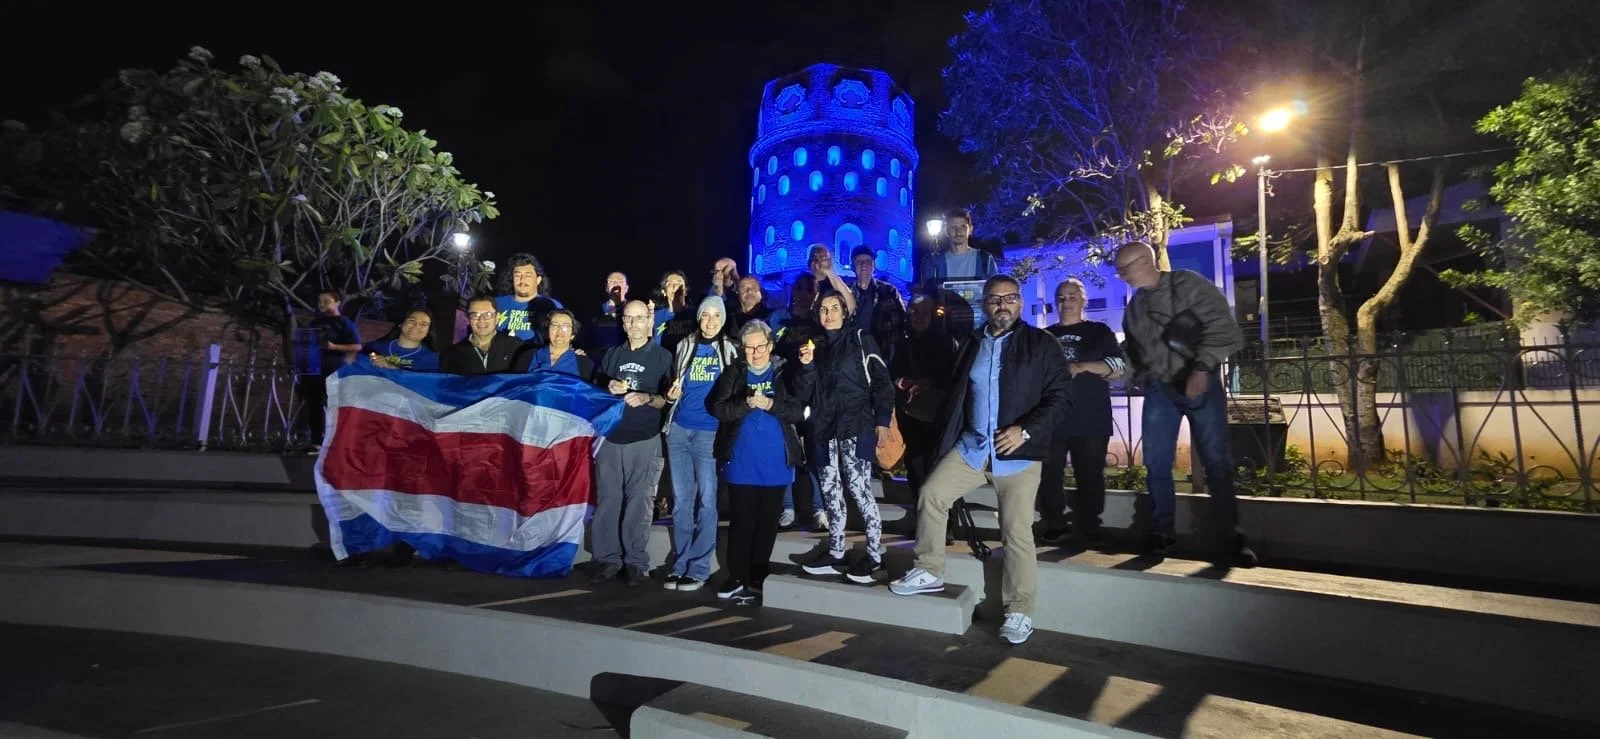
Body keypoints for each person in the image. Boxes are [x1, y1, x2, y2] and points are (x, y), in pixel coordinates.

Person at [889, 275, 1070, 646]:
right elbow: (958, 392)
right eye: (994, 299)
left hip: (1017, 455)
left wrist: (1026, 430)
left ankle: (1019, 610)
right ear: (984, 306)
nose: (1002, 305)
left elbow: (1061, 396)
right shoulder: (971, 344)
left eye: (1009, 299)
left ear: (1020, 304)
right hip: (974, 448)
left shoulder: (1041, 344)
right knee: (932, 495)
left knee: (1017, 533)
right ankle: (929, 569)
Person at [1115, 242, 1256, 566]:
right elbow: (1134, 354)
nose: (1120, 274)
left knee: (1217, 463)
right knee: (1157, 464)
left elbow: (1224, 328)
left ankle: (1231, 536)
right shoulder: (1133, 308)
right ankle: (1163, 532)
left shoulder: (1188, 284)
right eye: (1119, 268)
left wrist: (1202, 367)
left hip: (1200, 384)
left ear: (1144, 261)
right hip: (1161, 389)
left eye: (1125, 267)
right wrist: (1120, 372)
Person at [710, 320, 816, 602]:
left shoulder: (784, 370)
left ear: (770, 345)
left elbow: (799, 411)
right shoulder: (735, 372)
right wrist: (744, 404)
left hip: (776, 461)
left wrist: (771, 405)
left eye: (760, 346)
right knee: (742, 522)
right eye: (748, 347)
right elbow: (719, 409)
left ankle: (758, 576)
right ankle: (736, 576)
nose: (755, 353)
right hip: (742, 460)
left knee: (767, 523)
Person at [797, 292, 893, 585]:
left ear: (845, 311)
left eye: (834, 308)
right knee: (829, 490)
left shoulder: (863, 340)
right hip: (824, 429)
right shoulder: (816, 346)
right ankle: (836, 549)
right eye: (823, 309)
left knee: (859, 488)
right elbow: (805, 391)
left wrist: (882, 421)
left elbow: (882, 383)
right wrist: (807, 365)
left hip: (857, 426)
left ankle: (875, 554)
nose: (828, 314)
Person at [590, 300, 675, 587]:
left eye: (639, 319)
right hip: (611, 437)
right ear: (622, 322)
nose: (633, 324)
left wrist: (646, 398)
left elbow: (669, 400)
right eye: (628, 319)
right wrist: (607, 387)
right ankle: (607, 560)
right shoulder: (611, 355)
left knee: (640, 502)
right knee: (608, 500)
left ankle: (635, 562)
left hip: (645, 437)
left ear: (649, 322)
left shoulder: (663, 357)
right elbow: (595, 392)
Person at [1035, 278, 1124, 548]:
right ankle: (1055, 524)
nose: (1067, 302)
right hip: (1053, 419)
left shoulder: (1100, 332)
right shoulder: (1044, 336)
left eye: (1073, 297)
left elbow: (1118, 365)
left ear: (1084, 300)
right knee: (1049, 474)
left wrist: (1082, 366)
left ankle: (1089, 525)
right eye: (1062, 297)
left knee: (1091, 474)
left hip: (1091, 417)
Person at [661, 295, 741, 592]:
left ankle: (700, 567)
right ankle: (680, 563)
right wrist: (671, 397)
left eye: (715, 316)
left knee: (708, 501)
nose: (709, 321)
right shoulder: (685, 345)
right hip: (680, 429)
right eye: (705, 315)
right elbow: (674, 387)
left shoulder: (731, 349)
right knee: (682, 501)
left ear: (722, 319)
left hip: (710, 431)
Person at [890, 295, 958, 515]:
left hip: (936, 416)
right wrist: (901, 381)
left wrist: (928, 383)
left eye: (925, 312)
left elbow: (952, 377)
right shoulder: (902, 343)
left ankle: (944, 520)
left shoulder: (945, 342)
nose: (918, 317)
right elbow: (891, 373)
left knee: (938, 469)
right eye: (915, 312)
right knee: (916, 467)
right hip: (911, 413)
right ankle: (924, 517)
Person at [772, 273, 825, 529]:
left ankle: (819, 508)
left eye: (809, 289)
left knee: (815, 453)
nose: (803, 294)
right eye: (799, 289)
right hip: (785, 394)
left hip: (814, 395)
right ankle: (788, 507)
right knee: (785, 451)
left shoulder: (819, 322)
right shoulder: (779, 318)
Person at [300, 289, 362, 449]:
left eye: (326, 301)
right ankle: (316, 442)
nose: (322, 304)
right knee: (314, 404)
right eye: (320, 301)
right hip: (313, 368)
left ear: (337, 303)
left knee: (332, 404)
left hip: (333, 368)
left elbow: (357, 345)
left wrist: (334, 346)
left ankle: (335, 442)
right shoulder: (315, 323)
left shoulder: (343, 322)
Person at [442, 295, 527, 374]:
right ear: (468, 319)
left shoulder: (516, 347)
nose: (481, 320)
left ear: (497, 318)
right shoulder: (452, 354)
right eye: (475, 315)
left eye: (488, 315)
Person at [919, 208, 999, 292]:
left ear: (970, 230)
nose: (958, 232)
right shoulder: (933, 262)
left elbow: (995, 291)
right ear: (946, 231)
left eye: (963, 227)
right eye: (953, 227)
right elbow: (928, 294)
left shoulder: (986, 259)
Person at [495, 253, 563, 345]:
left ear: (538, 280)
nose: (522, 280)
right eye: (517, 275)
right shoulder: (496, 304)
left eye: (528, 275)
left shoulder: (551, 305)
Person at [849, 244, 906, 353]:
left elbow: (901, 322)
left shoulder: (889, 291)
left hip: (883, 352)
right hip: (854, 355)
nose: (864, 265)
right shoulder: (846, 293)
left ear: (874, 266)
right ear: (853, 266)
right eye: (859, 261)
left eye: (868, 261)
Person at [526, 309, 593, 381]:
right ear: (547, 331)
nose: (560, 330)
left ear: (572, 335)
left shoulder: (583, 363)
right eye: (554, 325)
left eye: (565, 326)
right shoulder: (530, 355)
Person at [365, 309, 440, 372]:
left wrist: (394, 368)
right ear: (401, 324)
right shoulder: (374, 347)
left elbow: (426, 383)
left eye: (423, 324)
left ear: (428, 332)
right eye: (412, 320)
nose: (416, 326)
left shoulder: (431, 358)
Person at [586, 271, 630, 355]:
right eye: (611, 281)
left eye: (620, 281)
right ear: (606, 288)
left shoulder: (633, 309)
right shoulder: (594, 311)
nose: (616, 284)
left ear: (627, 288)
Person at [653, 270, 695, 351]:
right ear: (664, 292)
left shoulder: (695, 314)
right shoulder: (656, 316)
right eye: (670, 284)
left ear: (686, 290)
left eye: (679, 283)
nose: (675, 286)